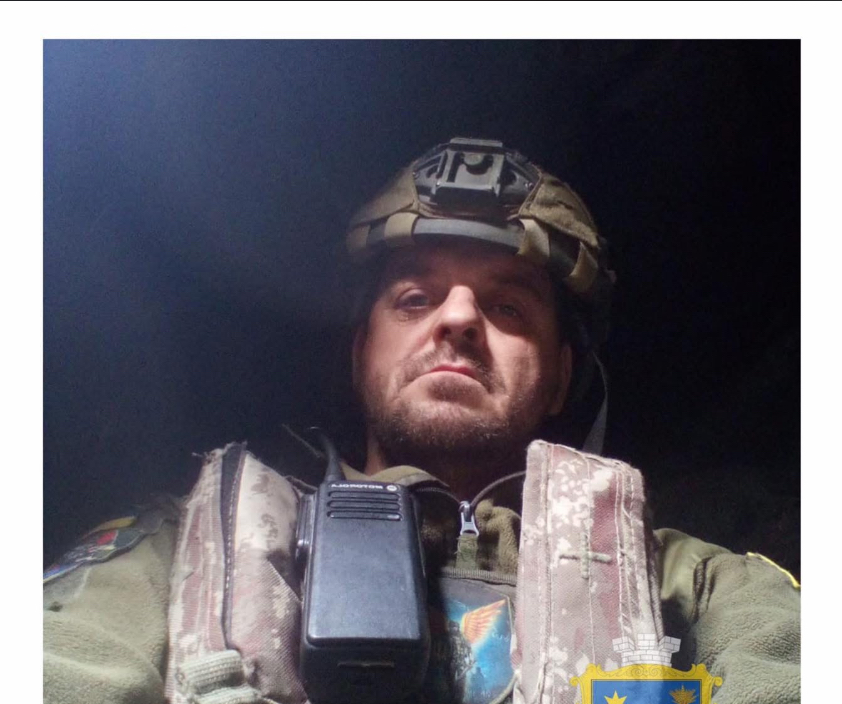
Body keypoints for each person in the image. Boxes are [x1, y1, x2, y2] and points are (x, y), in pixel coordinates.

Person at [43, 137, 800, 704]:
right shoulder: (183, 557)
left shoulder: (698, 585)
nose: (459, 318)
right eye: (414, 299)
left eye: (508, 306)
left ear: (562, 376)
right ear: (360, 353)